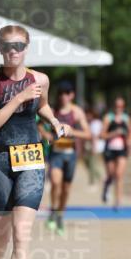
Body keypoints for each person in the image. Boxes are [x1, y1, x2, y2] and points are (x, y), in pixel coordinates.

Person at [0, 24, 70, 259]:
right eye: (7, 45)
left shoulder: (40, 79)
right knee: (2, 234)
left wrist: (56, 122)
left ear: (27, 47)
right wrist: (18, 100)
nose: (13, 50)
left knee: (22, 233)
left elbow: (42, 105)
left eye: (18, 45)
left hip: (31, 157)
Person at [47, 81, 91, 233]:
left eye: (66, 93)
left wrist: (73, 132)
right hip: (56, 153)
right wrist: (46, 134)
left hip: (70, 155)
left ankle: (60, 215)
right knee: (55, 182)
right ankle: (53, 210)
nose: (63, 96)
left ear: (71, 95)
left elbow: (88, 134)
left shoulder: (77, 112)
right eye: (60, 93)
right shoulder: (53, 110)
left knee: (66, 190)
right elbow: (39, 124)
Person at [101, 96, 131, 210]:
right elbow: (102, 135)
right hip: (110, 149)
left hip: (122, 150)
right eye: (117, 106)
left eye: (121, 106)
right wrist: (114, 133)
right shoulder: (108, 118)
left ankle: (118, 201)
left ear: (123, 107)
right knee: (111, 174)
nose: (118, 108)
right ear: (113, 106)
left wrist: (130, 140)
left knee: (119, 175)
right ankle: (107, 185)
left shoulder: (126, 118)